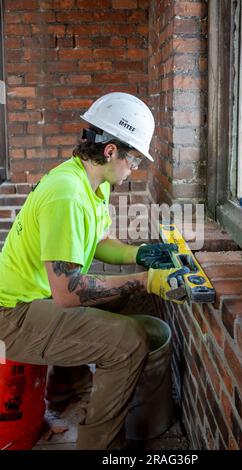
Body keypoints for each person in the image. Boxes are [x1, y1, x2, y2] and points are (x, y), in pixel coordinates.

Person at [0, 92, 188, 449]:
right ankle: (98, 447)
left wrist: (141, 253)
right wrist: (146, 281)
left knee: (123, 304)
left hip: (35, 298)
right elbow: (69, 293)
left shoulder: (89, 184)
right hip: (11, 314)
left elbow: (99, 242)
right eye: (133, 157)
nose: (135, 167)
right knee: (128, 342)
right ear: (110, 151)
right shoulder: (67, 194)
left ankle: (65, 392)